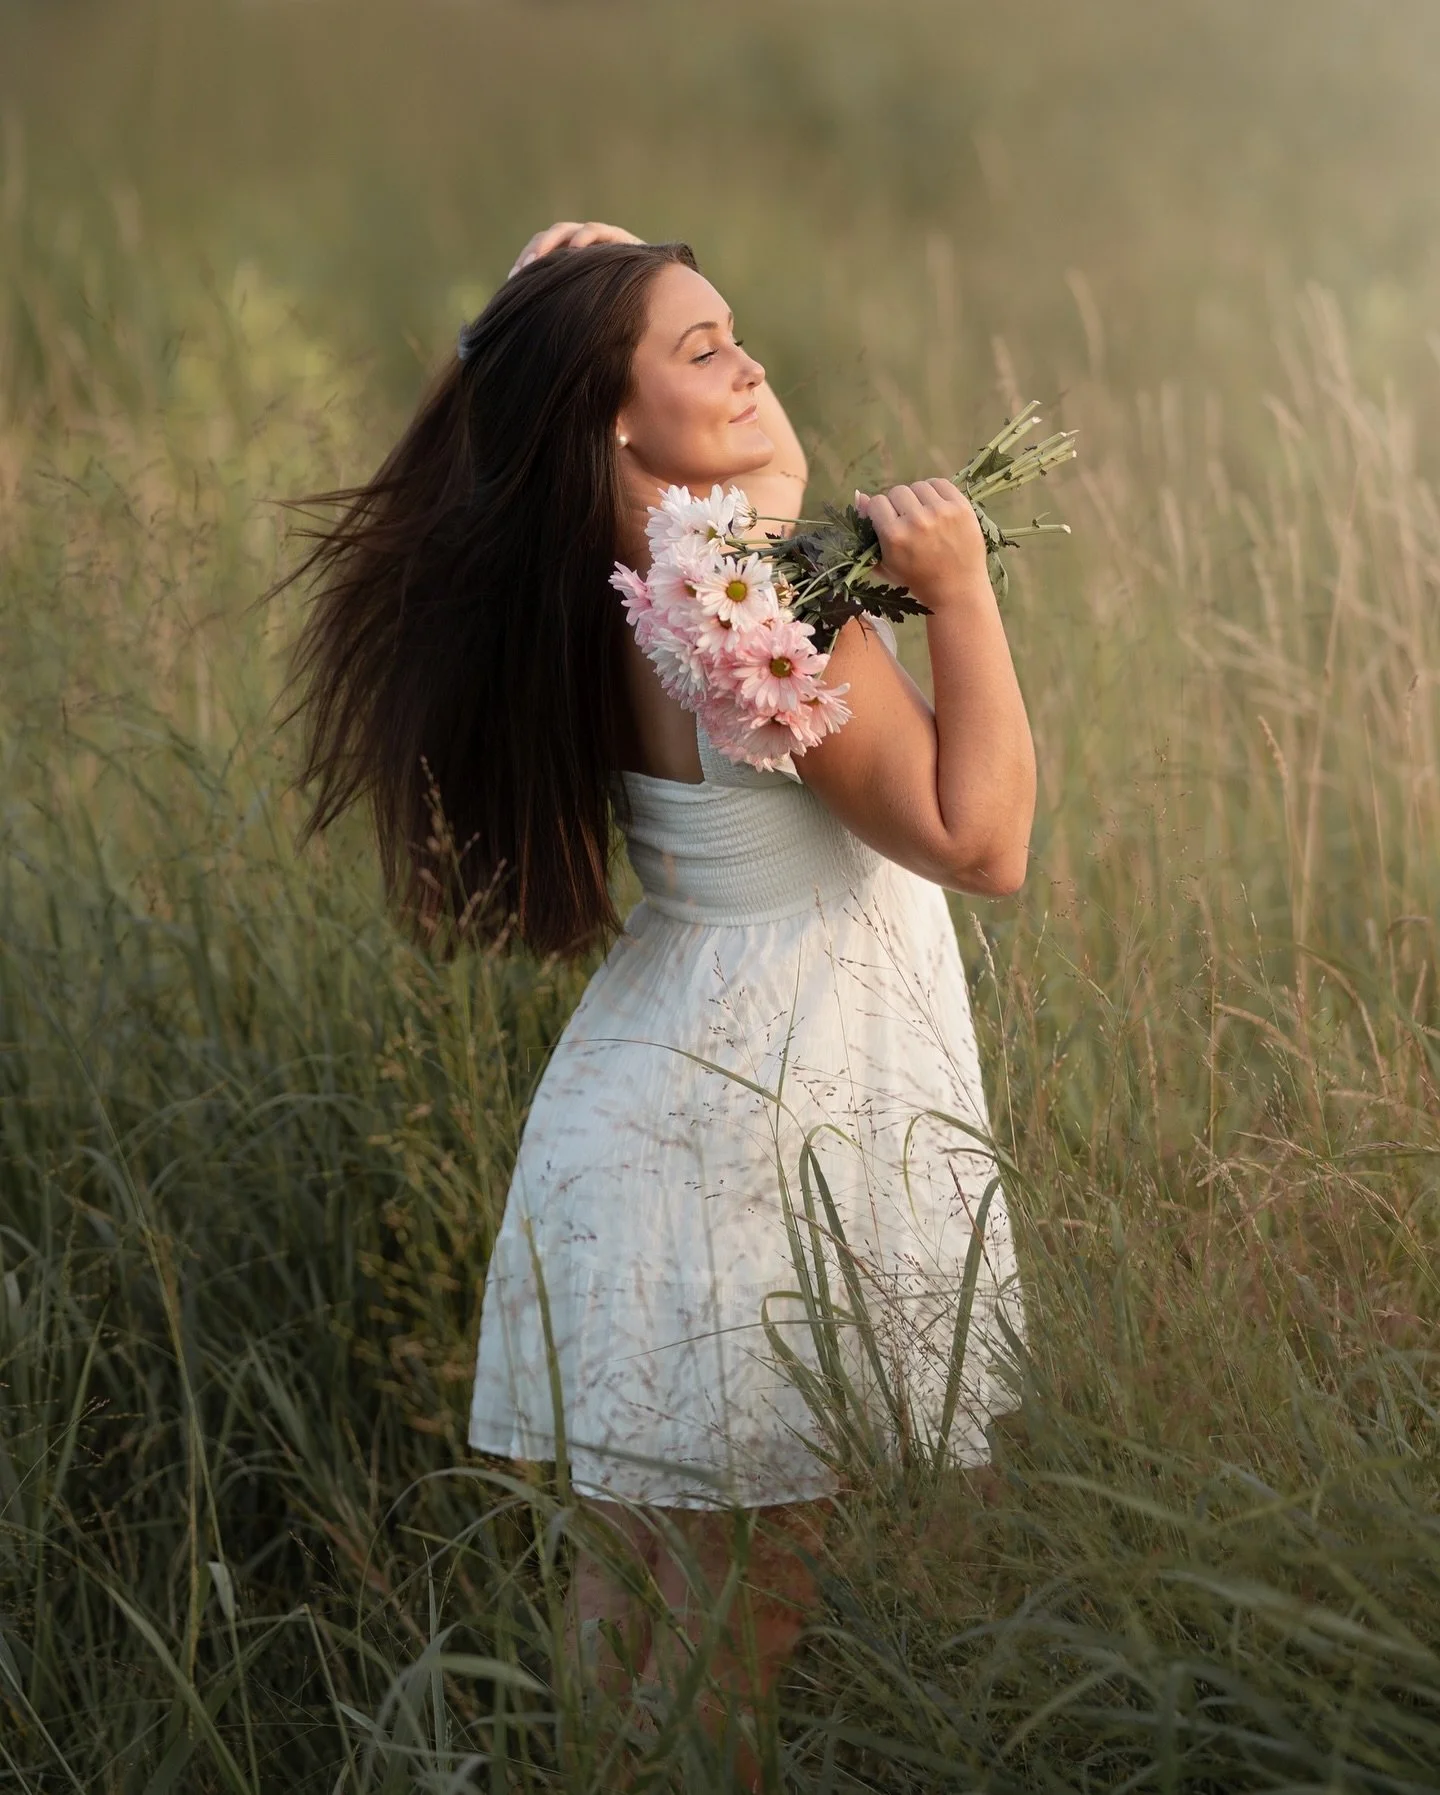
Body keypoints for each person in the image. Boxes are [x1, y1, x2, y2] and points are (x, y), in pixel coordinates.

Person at [285, 219, 1035, 1789]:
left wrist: (604, 297)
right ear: (615, 423)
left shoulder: (628, 571)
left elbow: (610, 398)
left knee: (639, 1601)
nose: (750, 360)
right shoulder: (746, 600)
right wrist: (959, 594)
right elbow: (985, 841)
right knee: (730, 1634)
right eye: (705, 350)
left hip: (662, 1091)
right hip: (767, 1128)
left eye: (738, 328)